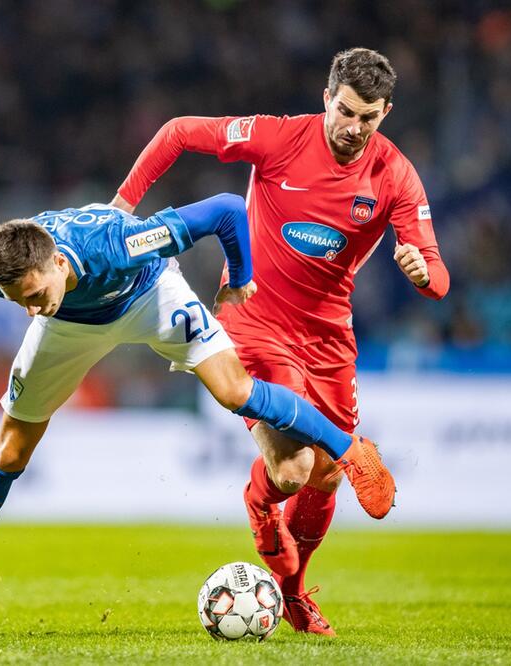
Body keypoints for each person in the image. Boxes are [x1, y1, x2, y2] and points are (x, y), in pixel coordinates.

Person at [0, 193, 394, 636]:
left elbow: (226, 209)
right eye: (16, 302)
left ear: (54, 260)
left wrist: (240, 279)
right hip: (70, 325)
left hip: (149, 296)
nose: (28, 310)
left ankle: (351, 451)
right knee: (9, 452)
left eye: (31, 296)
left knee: (233, 389)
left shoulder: (118, 243)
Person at [111, 47, 449, 635]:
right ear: (326, 97)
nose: (353, 127)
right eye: (344, 111)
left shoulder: (394, 174)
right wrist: (122, 204)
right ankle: (261, 503)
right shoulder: (278, 138)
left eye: (368, 118)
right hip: (254, 321)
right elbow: (177, 132)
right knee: (292, 470)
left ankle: (292, 592)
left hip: (328, 338)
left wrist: (422, 271)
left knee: (327, 476)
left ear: (385, 113)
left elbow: (439, 279)